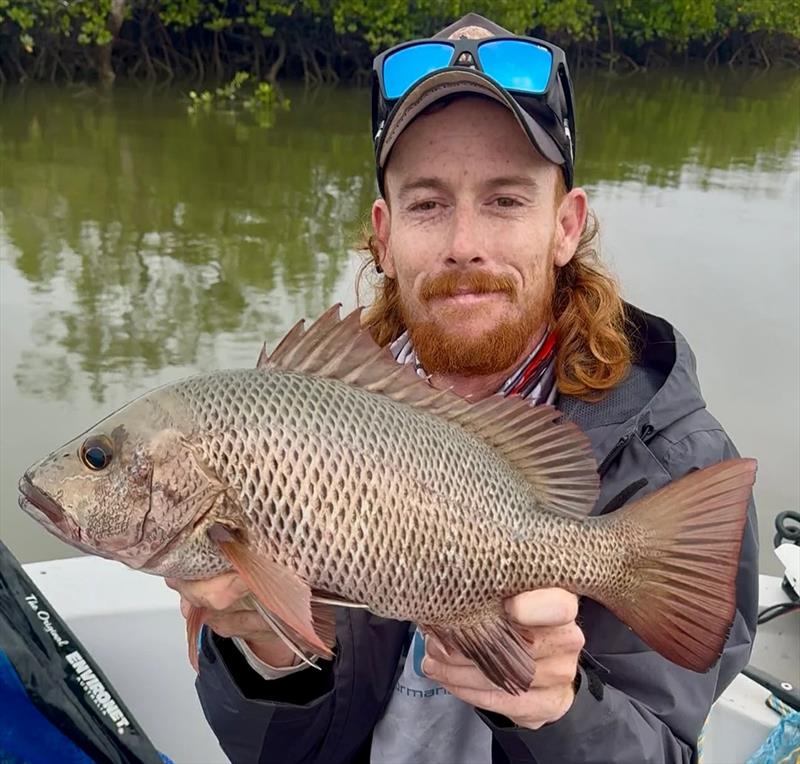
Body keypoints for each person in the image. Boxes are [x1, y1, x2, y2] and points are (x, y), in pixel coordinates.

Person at [167, 13, 758, 763]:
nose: (464, 244)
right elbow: (285, 753)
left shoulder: (674, 463)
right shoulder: (317, 421)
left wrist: (559, 712)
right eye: (427, 203)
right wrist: (271, 658)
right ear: (383, 234)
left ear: (566, 226)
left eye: (507, 200)